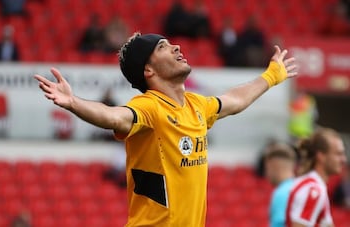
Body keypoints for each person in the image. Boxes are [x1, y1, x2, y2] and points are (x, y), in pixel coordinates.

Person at [34, 32, 297, 226]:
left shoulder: (197, 105)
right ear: (148, 69)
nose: (176, 46)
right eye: (163, 47)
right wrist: (73, 102)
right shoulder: (150, 108)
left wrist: (272, 75)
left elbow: (236, 100)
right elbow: (113, 117)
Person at [285, 127, 347, 227]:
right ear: (321, 156)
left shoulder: (317, 187)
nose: (343, 159)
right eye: (338, 154)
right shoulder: (313, 190)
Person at [264, 142, 297, 227]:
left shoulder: (282, 193)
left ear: (273, 166)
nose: (267, 174)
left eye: (267, 168)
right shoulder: (300, 188)